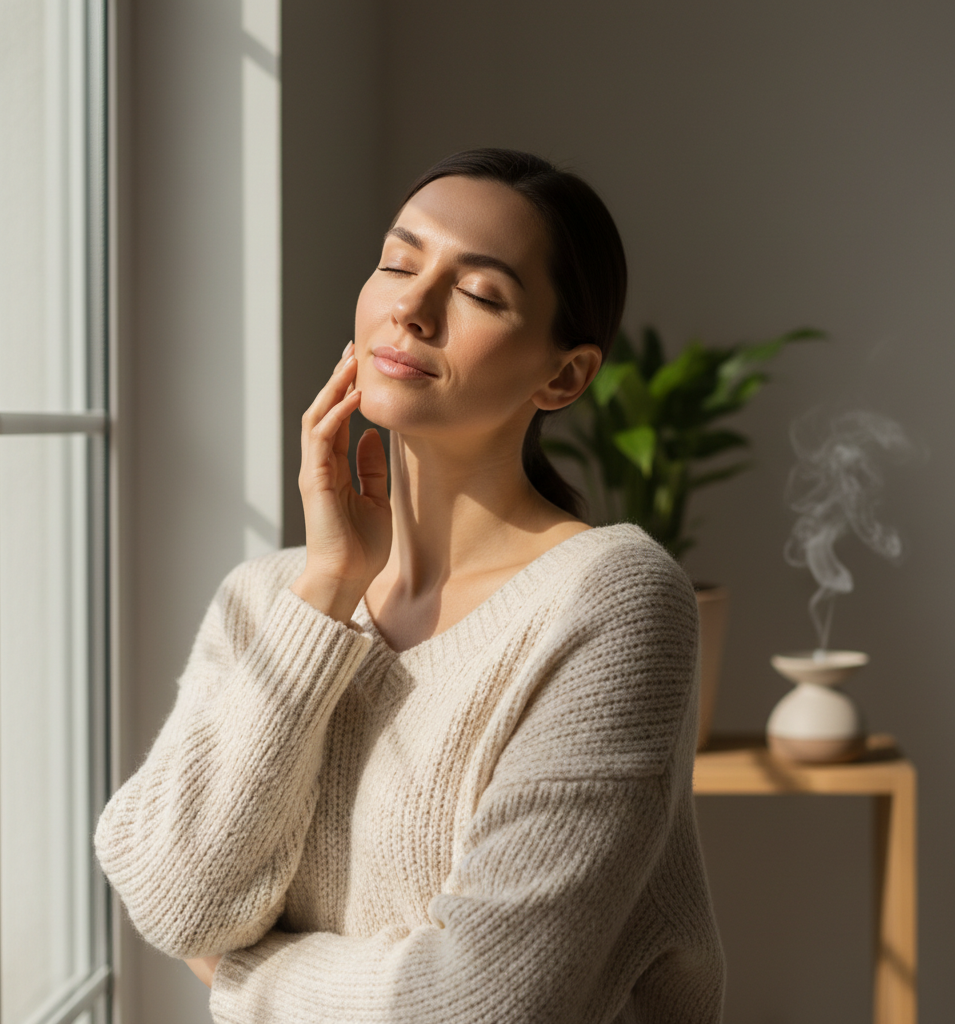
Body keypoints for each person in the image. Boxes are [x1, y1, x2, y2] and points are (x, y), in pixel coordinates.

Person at [95, 148, 724, 1023]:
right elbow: (174, 904)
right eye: (398, 261)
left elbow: (478, 1005)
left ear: (564, 375)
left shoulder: (609, 600)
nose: (413, 307)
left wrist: (240, 975)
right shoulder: (269, 600)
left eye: (480, 292)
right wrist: (326, 587)